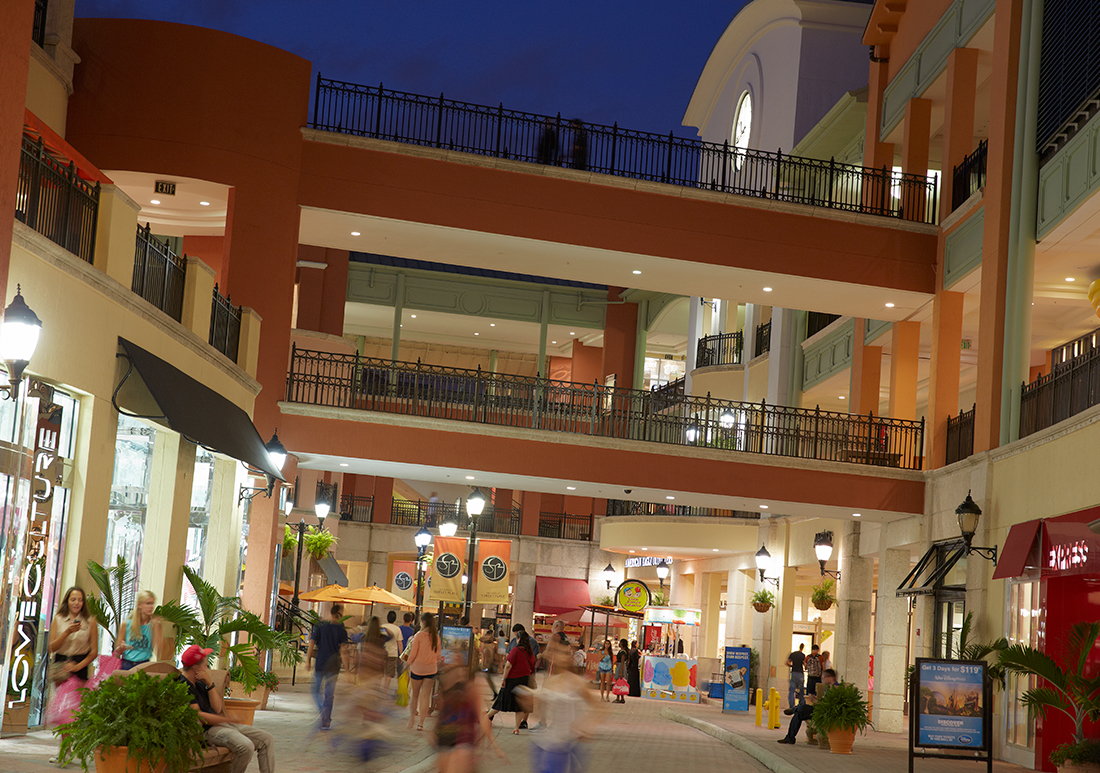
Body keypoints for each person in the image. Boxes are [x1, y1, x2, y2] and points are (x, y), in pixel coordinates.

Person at [177, 644, 275, 772]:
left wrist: (209, 684)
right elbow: (199, 716)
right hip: (208, 730)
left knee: (266, 739)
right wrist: (227, 719)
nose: (207, 668)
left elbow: (217, 708)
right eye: (205, 665)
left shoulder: (200, 683)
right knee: (245, 746)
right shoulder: (183, 686)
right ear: (196, 667)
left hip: (222, 724)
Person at [518, 630, 599, 773]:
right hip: (548, 743)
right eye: (559, 653)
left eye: (566, 654)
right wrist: (528, 702)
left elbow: (598, 707)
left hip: (569, 744)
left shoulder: (576, 682)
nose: (563, 657)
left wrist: (586, 725)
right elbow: (539, 710)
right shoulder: (551, 681)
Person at [434, 666, 504, 773]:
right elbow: (441, 714)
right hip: (448, 739)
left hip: (463, 741)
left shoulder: (471, 696)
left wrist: (495, 747)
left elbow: (483, 722)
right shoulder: (455, 693)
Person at [306, 603, 349, 730]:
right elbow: (343, 651)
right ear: (340, 614)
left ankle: (323, 713)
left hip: (320, 663)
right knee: (329, 694)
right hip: (334, 666)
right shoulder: (342, 631)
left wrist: (308, 660)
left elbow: (311, 644)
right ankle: (326, 719)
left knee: (315, 691)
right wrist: (347, 669)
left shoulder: (320, 627)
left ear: (330, 613)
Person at [487, 628, 536, 733]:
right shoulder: (530, 653)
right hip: (525, 680)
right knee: (519, 706)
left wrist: (503, 679)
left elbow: (508, 666)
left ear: (518, 639)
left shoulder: (515, 650)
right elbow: (532, 667)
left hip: (512, 680)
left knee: (502, 701)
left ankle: (486, 717)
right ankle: (516, 728)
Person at [49, 587, 98, 682]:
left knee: (78, 695)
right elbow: (52, 648)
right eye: (73, 600)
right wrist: (67, 632)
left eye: (80, 600)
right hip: (60, 665)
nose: (76, 603)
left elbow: (94, 652)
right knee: (60, 696)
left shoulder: (90, 621)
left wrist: (77, 667)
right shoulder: (58, 619)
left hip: (80, 665)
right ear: (67, 601)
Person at [777, 668, 837, 744]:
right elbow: (823, 701)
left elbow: (828, 705)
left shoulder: (835, 688)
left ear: (830, 677)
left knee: (802, 708)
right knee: (798, 714)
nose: (822, 679)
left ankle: (793, 709)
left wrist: (816, 701)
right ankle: (790, 738)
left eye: (824, 677)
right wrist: (815, 699)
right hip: (819, 708)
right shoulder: (828, 688)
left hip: (823, 712)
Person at [404, 612, 441, 730]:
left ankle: (411, 721)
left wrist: (407, 664)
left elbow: (413, 653)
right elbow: (438, 656)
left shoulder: (419, 635)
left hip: (417, 669)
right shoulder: (436, 637)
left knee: (415, 695)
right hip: (431, 669)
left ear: (423, 622)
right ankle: (421, 724)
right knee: (425, 696)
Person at [114, 589, 162, 670]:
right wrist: (121, 648)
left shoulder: (155, 625)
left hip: (144, 664)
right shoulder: (127, 624)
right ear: (139, 605)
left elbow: (159, 650)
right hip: (126, 663)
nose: (151, 607)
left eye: (152, 603)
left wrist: (156, 628)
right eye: (148, 603)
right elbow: (117, 653)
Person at [381, 611, 404, 692]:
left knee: (380, 672)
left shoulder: (382, 627)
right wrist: (401, 655)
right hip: (393, 654)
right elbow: (400, 643)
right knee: (389, 674)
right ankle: (384, 691)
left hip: (382, 653)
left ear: (387, 618)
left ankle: (378, 690)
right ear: (395, 619)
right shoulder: (397, 629)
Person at [786, 643, 806, 709]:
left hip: (793, 672)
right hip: (800, 673)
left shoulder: (793, 654)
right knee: (801, 690)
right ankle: (801, 705)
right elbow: (805, 664)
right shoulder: (803, 655)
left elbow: (787, 662)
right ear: (803, 648)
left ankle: (791, 705)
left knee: (792, 690)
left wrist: (791, 666)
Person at [611, 639, 629, 704]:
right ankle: (621, 697)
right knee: (621, 683)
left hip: (620, 668)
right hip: (620, 666)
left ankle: (618, 697)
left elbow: (622, 662)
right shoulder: (622, 651)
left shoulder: (623, 652)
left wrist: (621, 672)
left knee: (619, 682)